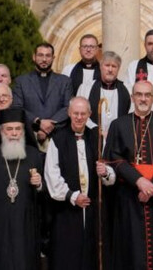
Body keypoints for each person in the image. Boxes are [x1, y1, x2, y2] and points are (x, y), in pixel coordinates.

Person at [103, 80, 153, 270]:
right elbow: (114, 157)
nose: (143, 98)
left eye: (147, 95)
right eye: (139, 94)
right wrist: (138, 181)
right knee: (130, 245)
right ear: (132, 97)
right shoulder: (119, 124)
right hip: (128, 195)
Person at [45, 97, 115, 270]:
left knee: (92, 254)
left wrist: (105, 172)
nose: (78, 117)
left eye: (83, 114)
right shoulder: (58, 139)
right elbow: (51, 175)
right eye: (75, 113)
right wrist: (72, 196)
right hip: (67, 210)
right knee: (68, 256)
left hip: (93, 210)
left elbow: (112, 170)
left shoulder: (97, 138)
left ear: (89, 115)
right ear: (69, 113)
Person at [0, 107, 45, 270]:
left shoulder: (34, 155)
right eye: (9, 129)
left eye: (18, 129)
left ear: (23, 131)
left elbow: (45, 197)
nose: (14, 133)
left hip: (26, 225)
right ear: (1, 131)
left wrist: (40, 185)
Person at [13, 42, 73, 151]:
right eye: (40, 55)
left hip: (58, 138)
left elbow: (68, 107)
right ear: (34, 57)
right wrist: (38, 122)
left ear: (53, 58)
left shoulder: (65, 81)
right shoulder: (21, 81)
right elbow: (17, 107)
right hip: (29, 138)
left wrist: (49, 126)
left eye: (48, 55)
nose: (44, 59)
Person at [77, 51, 131, 136]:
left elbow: (131, 115)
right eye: (107, 65)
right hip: (92, 136)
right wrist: (96, 130)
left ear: (118, 69)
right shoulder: (86, 88)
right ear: (100, 67)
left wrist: (117, 130)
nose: (110, 69)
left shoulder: (127, 89)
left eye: (114, 66)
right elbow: (80, 113)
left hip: (119, 136)